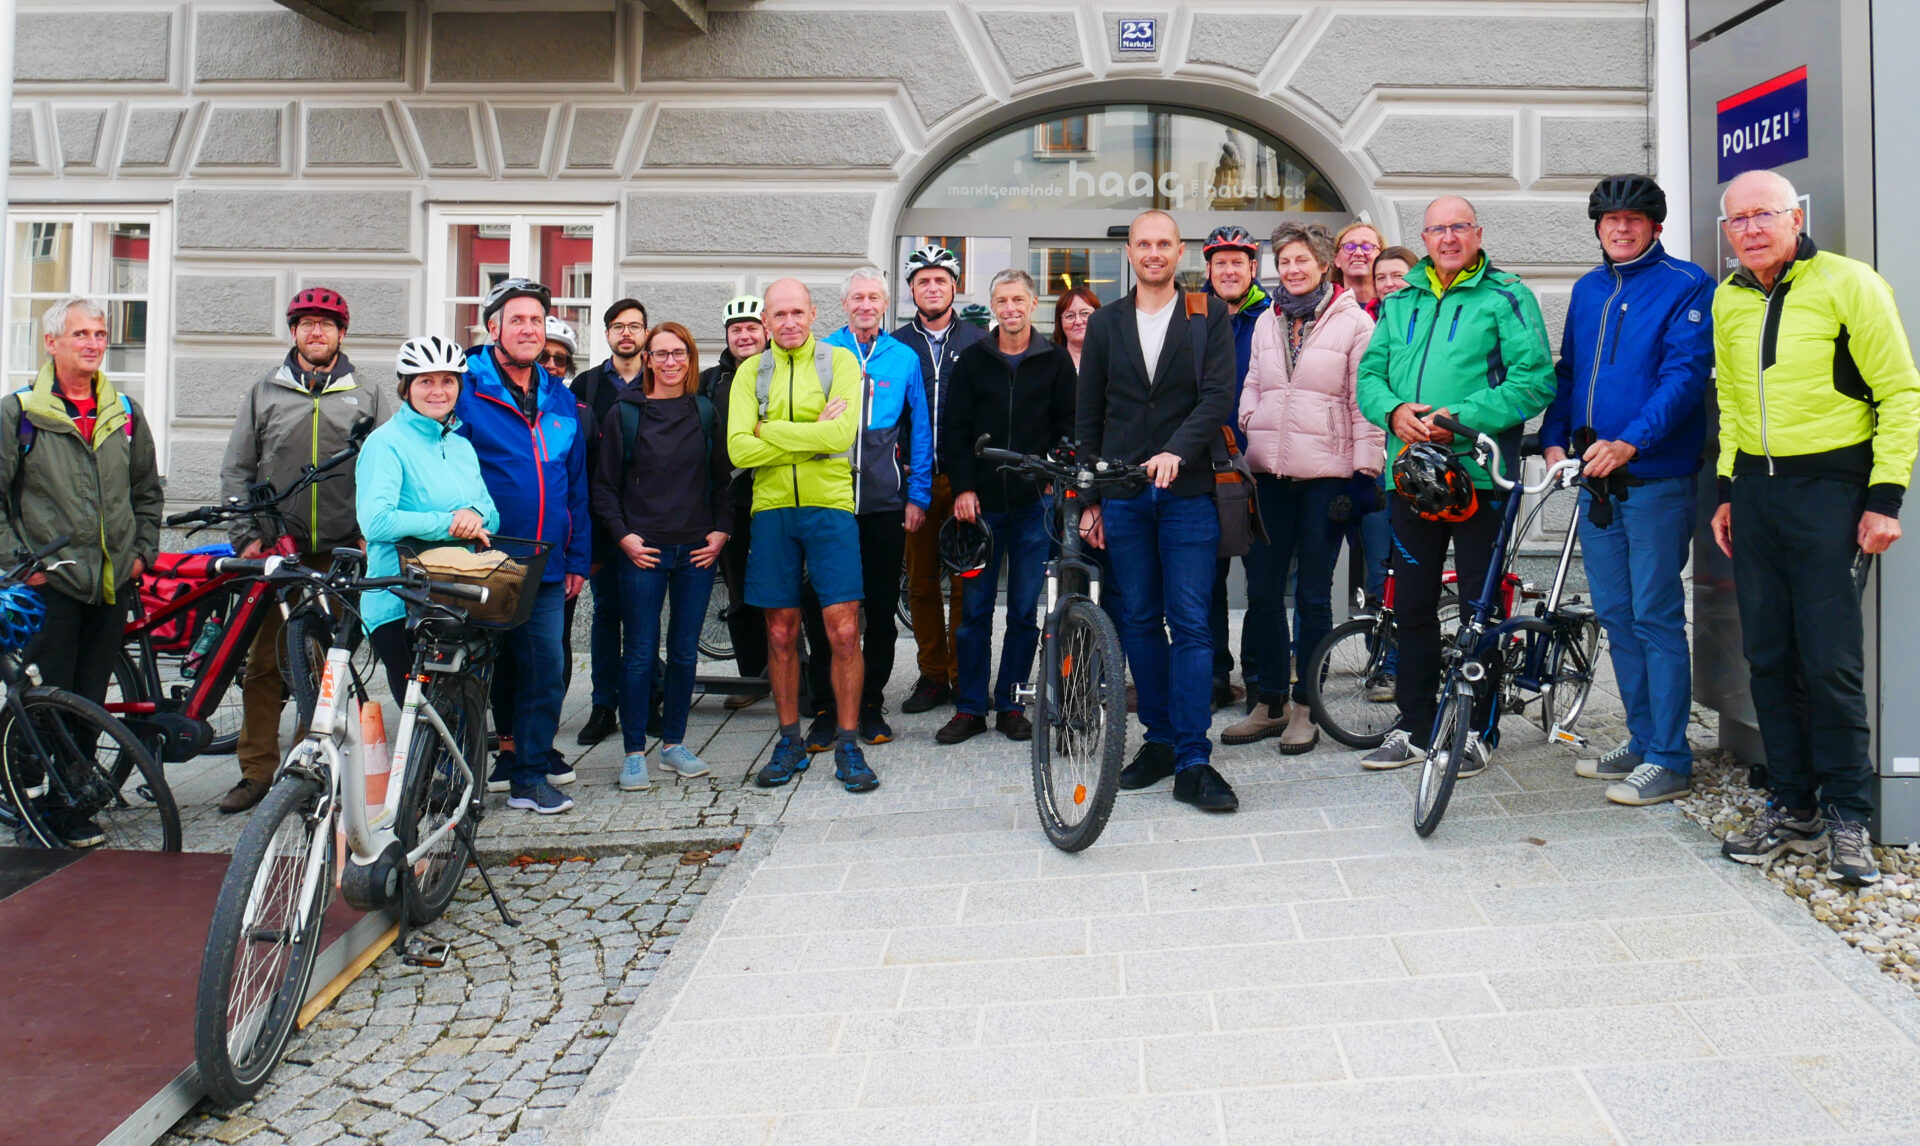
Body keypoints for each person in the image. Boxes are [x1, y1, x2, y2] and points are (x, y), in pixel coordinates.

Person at [1711, 169, 1920, 886]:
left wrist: (1885, 499)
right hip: (1757, 497)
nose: (1751, 230)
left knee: (1829, 663)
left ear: (1795, 217)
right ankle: (1792, 803)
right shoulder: (1728, 298)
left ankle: (1849, 817)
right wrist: (1727, 490)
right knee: (1768, 656)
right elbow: (1733, 401)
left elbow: (1900, 391)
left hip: (1832, 493)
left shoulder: (1849, 284)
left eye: (1764, 215)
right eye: (1737, 221)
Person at [1355, 195, 1558, 774]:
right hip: (1411, 479)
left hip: (1479, 476)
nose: (1447, 238)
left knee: (1479, 608)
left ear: (1477, 233)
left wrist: (1459, 417)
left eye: (1458, 227)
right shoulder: (1402, 300)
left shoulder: (1506, 295)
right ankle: (1415, 725)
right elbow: (1369, 375)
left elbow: (1535, 381)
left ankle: (1476, 731)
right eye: (1437, 229)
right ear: (1424, 236)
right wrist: (1393, 411)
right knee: (1412, 607)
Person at [1541, 175, 1714, 807]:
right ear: (1597, 228)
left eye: (1634, 219)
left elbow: (1684, 377)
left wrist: (1630, 441)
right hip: (1596, 483)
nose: (1621, 227)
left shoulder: (1688, 284)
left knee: (1655, 615)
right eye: (1610, 219)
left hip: (1656, 478)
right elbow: (1570, 373)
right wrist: (1554, 438)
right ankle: (1643, 741)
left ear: (1655, 226)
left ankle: (1670, 756)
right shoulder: (1589, 289)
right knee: (1615, 613)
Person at [1078, 210, 1238, 813]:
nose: (1152, 253)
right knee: (1140, 620)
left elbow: (1220, 395)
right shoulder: (1106, 323)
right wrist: (1089, 497)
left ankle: (1195, 759)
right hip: (1121, 495)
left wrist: (1176, 450)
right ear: (1130, 254)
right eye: (1143, 244)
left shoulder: (1207, 315)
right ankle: (1161, 740)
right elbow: (1088, 413)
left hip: (1188, 492)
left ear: (1180, 252)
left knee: (1191, 623)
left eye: (1163, 244)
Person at [217, 286, 393, 814]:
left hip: (340, 550)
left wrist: (369, 533)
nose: (316, 332)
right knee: (264, 663)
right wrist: (246, 536)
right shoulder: (264, 392)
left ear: (342, 332)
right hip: (278, 549)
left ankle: (308, 768)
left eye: (326, 323)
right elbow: (237, 469)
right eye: (306, 323)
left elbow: (384, 468)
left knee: (324, 665)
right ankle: (255, 771)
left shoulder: (369, 393)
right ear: (293, 332)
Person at [1, 297, 162, 846]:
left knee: (89, 700)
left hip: (112, 582)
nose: (93, 343)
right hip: (51, 583)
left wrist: (142, 552)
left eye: (99, 334)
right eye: (80, 334)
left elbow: (147, 493)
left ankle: (70, 809)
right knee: (48, 698)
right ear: (52, 343)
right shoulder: (19, 413)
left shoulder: (126, 412)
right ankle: (26, 803)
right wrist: (22, 569)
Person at [1224, 222, 1381, 752]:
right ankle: (1269, 700)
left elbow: (1366, 402)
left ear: (1323, 264)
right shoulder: (1269, 319)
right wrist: (1251, 415)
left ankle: (1305, 707)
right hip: (1268, 474)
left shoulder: (1353, 322)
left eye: (1300, 261)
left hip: (1325, 479)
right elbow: (1252, 379)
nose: (1291, 270)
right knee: (1263, 593)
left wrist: (1365, 471)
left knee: (1312, 596)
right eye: (1284, 261)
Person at [728, 279, 876, 794]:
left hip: (830, 507)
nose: (789, 322)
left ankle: (849, 743)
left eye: (797, 311)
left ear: (813, 313)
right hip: (771, 510)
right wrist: (809, 434)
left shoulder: (839, 363)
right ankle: (789, 738)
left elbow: (841, 436)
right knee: (780, 632)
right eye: (779, 314)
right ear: (765, 322)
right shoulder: (751, 370)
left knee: (842, 631)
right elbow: (738, 451)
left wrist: (771, 430)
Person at [458, 277, 590, 815]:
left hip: (546, 562)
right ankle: (455, 778)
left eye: (536, 320)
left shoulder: (560, 397)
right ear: (493, 328)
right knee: (469, 673)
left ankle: (530, 775)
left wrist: (578, 557)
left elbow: (574, 484)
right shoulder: (463, 387)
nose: (529, 329)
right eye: (517, 320)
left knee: (544, 671)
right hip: (482, 560)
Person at [937, 268, 1075, 743]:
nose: (1010, 308)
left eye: (1018, 299)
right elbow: (952, 430)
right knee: (974, 610)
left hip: (1034, 507)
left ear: (1032, 303)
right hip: (981, 509)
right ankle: (971, 708)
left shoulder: (1056, 362)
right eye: (1002, 300)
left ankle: (1012, 705)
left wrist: (1054, 478)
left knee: (1022, 612)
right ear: (993, 306)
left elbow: (1069, 427)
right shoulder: (973, 360)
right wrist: (963, 488)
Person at [592, 322, 731, 790]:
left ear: (691, 360)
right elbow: (605, 488)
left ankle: (673, 744)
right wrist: (624, 538)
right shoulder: (625, 413)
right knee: (638, 654)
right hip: (643, 552)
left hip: (695, 551)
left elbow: (721, 481)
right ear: (648, 360)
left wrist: (721, 532)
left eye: (680, 354)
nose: (671, 362)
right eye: (661, 354)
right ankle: (634, 752)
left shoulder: (705, 412)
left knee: (686, 652)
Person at [798, 267, 932, 749]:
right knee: (824, 606)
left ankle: (871, 705)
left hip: (882, 503)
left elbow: (920, 429)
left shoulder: (903, 356)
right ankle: (825, 708)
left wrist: (918, 495)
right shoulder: (823, 351)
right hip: (829, 500)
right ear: (844, 304)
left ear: (885, 302)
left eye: (874, 297)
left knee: (877, 607)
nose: (865, 305)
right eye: (857, 297)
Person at [356, 336, 499, 701]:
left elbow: (491, 515)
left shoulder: (460, 446)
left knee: (457, 714)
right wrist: (449, 522)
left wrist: (475, 515)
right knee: (417, 715)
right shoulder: (385, 442)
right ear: (406, 388)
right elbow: (376, 522)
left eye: (447, 381)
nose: (438, 391)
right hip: (398, 599)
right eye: (426, 381)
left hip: (453, 596)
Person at [895, 244, 990, 715]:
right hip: (914, 483)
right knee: (920, 582)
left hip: (963, 480)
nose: (932, 287)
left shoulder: (978, 339)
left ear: (955, 286)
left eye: (941, 280)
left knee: (966, 581)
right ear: (911, 290)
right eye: (923, 281)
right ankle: (932, 675)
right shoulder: (897, 344)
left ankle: (962, 675)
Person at [567, 298, 649, 746]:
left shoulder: (661, 380)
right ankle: (603, 705)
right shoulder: (587, 385)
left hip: (653, 517)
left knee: (646, 612)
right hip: (602, 518)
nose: (626, 334)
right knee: (607, 613)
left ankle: (648, 700)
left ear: (645, 333)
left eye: (634, 326)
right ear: (607, 334)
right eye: (618, 327)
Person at [1201, 225, 1274, 712]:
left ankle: (1260, 677)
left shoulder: (1273, 316)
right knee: (1205, 581)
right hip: (1206, 464)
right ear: (1208, 269)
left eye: (1238, 262)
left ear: (1253, 268)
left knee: (1263, 579)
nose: (1229, 270)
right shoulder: (1189, 314)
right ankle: (1212, 675)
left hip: (1262, 465)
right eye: (1220, 262)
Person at [701, 296, 770, 707]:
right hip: (731, 501)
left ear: (765, 332)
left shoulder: (780, 371)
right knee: (740, 591)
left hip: (777, 496)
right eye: (736, 330)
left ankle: (793, 673)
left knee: (786, 590)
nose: (744, 335)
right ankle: (750, 680)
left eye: (751, 328)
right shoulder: (710, 381)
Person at [1333, 221, 1386, 312]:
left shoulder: (1396, 307)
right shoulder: (1324, 307)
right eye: (1349, 247)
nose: (1358, 253)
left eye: (1367, 247)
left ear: (1382, 257)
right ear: (1337, 260)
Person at [1052, 286, 1102, 369]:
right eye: (1070, 316)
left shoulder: (1111, 361)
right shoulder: (1049, 364)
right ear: (1060, 322)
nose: (1078, 322)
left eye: (1085, 313)